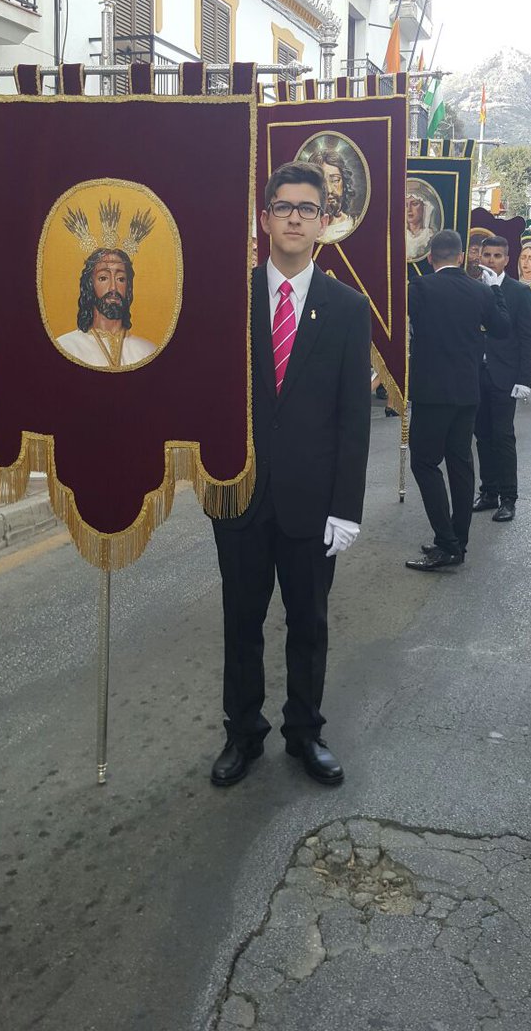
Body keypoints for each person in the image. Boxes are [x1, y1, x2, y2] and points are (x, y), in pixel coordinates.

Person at [210, 161, 371, 788]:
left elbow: (354, 419)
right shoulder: (233, 301)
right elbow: (210, 399)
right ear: (265, 218)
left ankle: (305, 732)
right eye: (285, 207)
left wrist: (347, 508)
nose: (296, 217)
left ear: (324, 222)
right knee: (240, 625)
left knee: (308, 625)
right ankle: (242, 732)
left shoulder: (347, 308)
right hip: (240, 496)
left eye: (308, 208)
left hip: (313, 504)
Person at [405, 229, 510, 571]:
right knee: (460, 464)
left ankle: (446, 541)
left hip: (431, 393)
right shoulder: (480, 291)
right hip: (467, 392)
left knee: (424, 463)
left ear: (431, 257)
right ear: (463, 257)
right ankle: (457, 541)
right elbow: (501, 329)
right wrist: (496, 293)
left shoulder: (419, 288)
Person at [473, 236, 531, 523]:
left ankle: (508, 498)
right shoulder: (472, 288)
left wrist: (524, 378)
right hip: (476, 374)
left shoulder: (518, 291)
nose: (490, 260)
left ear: (507, 260)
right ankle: (489, 492)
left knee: (502, 436)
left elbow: (526, 337)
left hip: (504, 375)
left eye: (497, 256)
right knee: (482, 436)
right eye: (486, 255)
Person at [56, 247, 156, 368]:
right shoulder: (66, 347)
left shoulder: (148, 351)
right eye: (103, 278)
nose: (113, 287)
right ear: (90, 286)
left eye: (121, 279)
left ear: (128, 287)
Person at [307, 149, 357, 243]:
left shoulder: (353, 224)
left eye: (335, 180)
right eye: (322, 182)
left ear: (344, 184)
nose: (329, 190)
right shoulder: (302, 228)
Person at [406, 190, 439, 262]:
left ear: (425, 208)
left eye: (414, 204)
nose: (409, 209)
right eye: (405, 205)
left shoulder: (430, 237)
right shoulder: (397, 236)